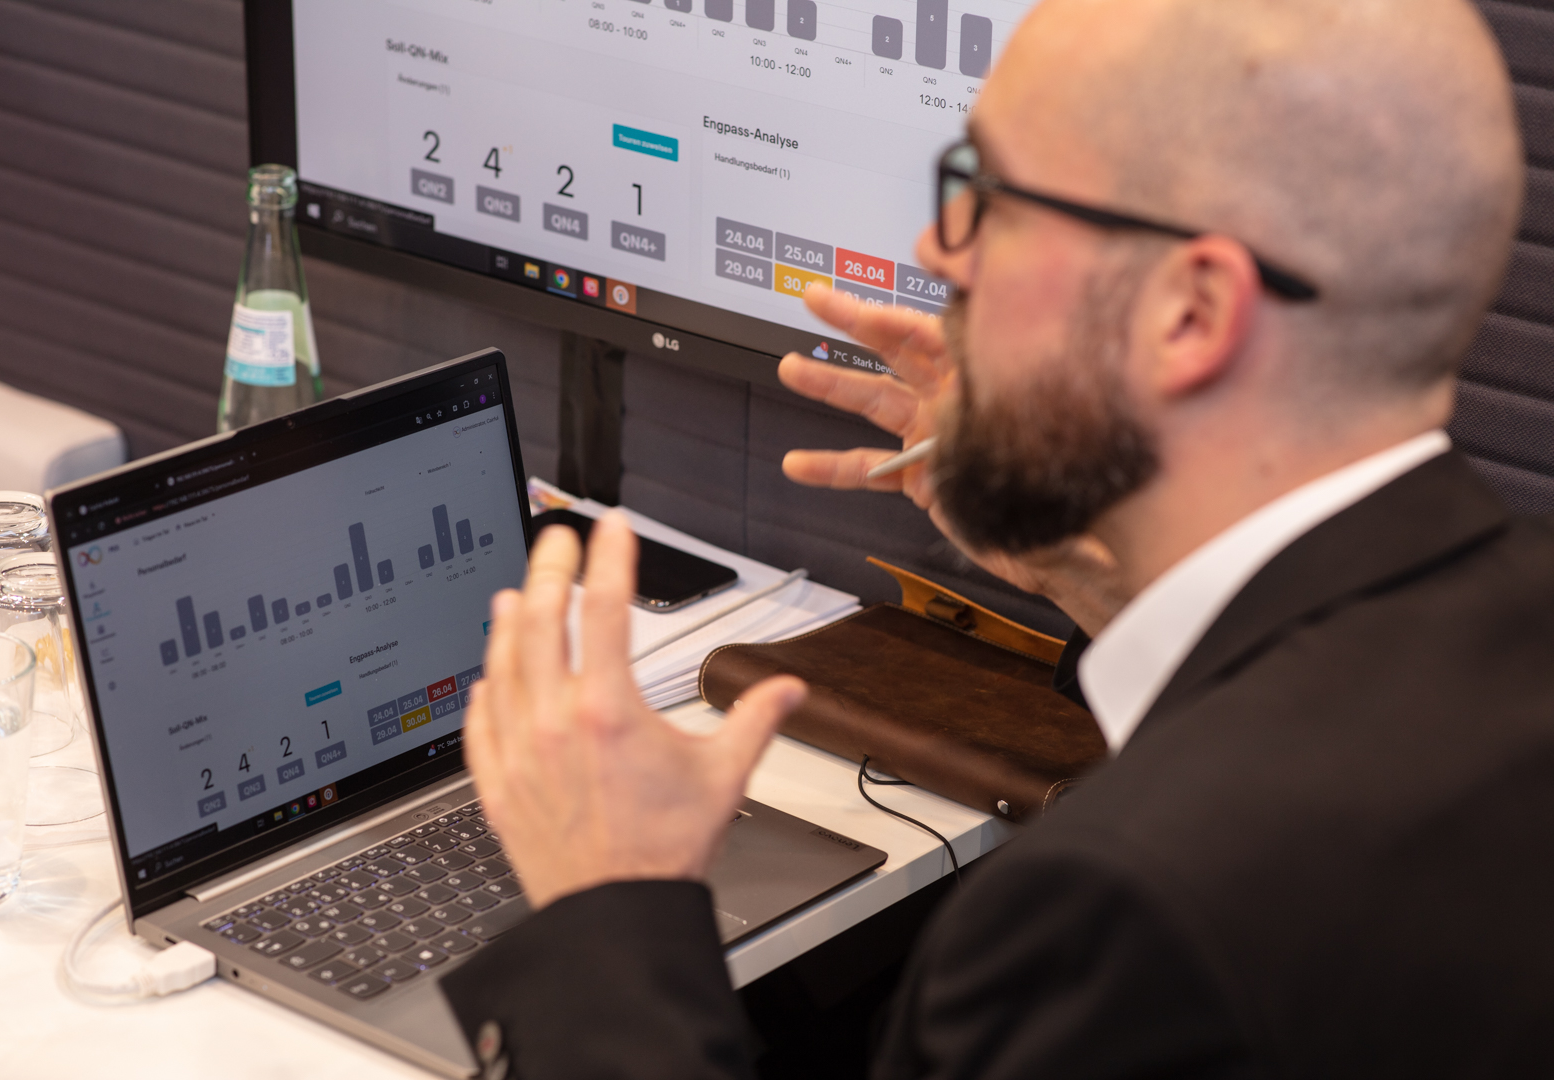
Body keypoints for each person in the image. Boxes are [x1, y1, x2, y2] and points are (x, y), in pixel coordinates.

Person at [440, 0, 1554, 1074]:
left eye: (991, 198)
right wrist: (1099, 574)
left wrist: (611, 908)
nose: (939, 249)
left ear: (1191, 314)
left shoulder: (1113, 920)